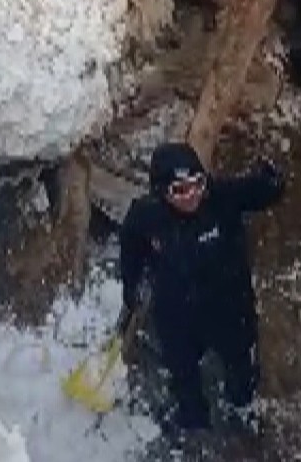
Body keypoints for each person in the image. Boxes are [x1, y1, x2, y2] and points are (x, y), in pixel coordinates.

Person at [117, 141, 285, 435]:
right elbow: (130, 247)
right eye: (180, 190)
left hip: (229, 308)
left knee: (241, 375)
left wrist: (271, 178)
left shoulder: (221, 199)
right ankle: (194, 425)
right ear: (161, 192)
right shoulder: (148, 216)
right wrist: (132, 288)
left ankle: (242, 414)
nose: (192, 195)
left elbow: (263, 191)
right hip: (178, 314)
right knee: (184, 378)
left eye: (197, 184)